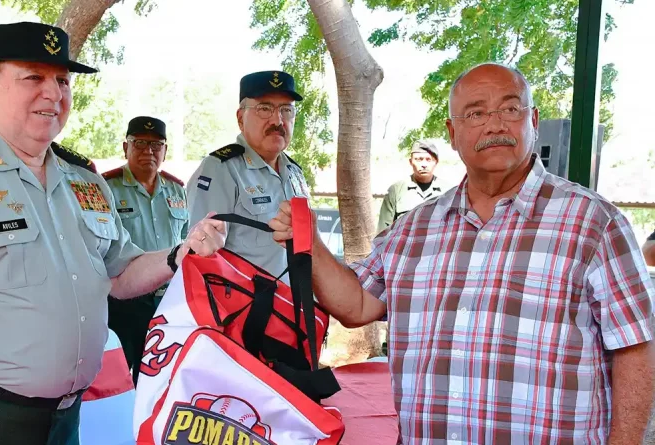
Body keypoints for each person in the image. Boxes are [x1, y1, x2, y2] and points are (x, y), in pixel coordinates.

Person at [0, 22, 226, 445]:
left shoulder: (83, 180)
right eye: (33, 77)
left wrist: (179, 253)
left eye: (62, 80)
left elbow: (120, 274)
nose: (53, 93)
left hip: (64, 420)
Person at [269, 63, 655, 443]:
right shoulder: (413, 228)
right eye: (476, 113)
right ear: (453, 134)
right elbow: (355, 306)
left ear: (533, 120)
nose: (495, 124)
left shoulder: (594, 223)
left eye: (510, 108)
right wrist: (312, 245)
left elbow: (637, 347)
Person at [187, 70, 311, 281]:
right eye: (264, 108)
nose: (278, 120)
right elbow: (202, 256)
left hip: (295, 306)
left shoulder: (294, 172)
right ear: (240, 118)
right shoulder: (221, 169)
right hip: (245, 310)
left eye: (286, 110)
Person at [102, 116, 188, 385]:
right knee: (117, 377)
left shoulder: (177, 190)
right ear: (125, 147)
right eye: (139, 143)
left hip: (168, 301)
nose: (148, 151)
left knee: (160, 377)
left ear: (165, 150)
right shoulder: (106, 188)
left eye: (156, 145)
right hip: (125, 302)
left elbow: (186, 241)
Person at [376, 140, 448, 231]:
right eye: (419, 159)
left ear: (436, 162)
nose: (424, 165)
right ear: (410, 162)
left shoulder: (449, 192)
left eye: (428, 159)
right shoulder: (396, 191)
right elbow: (383, 232)